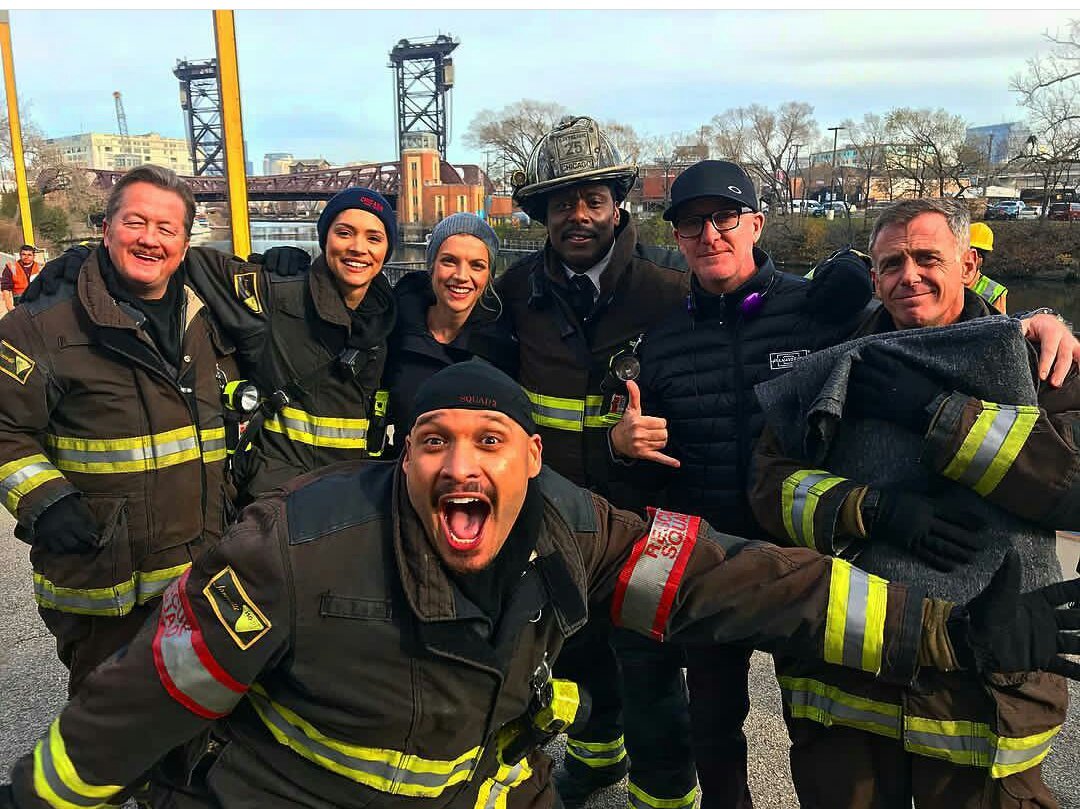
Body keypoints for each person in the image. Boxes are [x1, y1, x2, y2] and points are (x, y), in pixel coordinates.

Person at [3, 359, 1080, 809]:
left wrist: (945, 631)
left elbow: (737, 579)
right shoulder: (289, 547)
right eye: (433, 439)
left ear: (530, 457)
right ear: (401, 459)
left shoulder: (581, 527)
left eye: (488, 439)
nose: (458, 463)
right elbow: (146, 694)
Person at [748, 198, 1079, 808]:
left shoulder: (1042, 363)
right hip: (851, 674)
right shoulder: (836, 365)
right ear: (874, 278)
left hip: (982, 684)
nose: (910, 276)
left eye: (928, 258)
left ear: (969, 266)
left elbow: (1072, 491)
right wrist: (872, 509)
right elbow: (771, 485)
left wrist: (938, 416)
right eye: (892, 264)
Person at [608, 159, 878, 809]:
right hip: (711, 559)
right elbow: (641, 462)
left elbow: (924, 325)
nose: (710, 235)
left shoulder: (819, 311)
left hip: (806, 556)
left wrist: (1031, 322)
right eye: (692, 224)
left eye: (725, 217)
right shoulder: (662, 341)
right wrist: (621, 447)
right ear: (677, 239)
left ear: (756, 224)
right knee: (712, 723)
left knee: (821, 726)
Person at [497, 115, 691, 806]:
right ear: (542, 215)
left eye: (592, 200)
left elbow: (744, 351)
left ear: (618, 205)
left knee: (650, 669)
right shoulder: (517, 292)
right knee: (574, 652)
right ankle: (596, 759)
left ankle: (666, 795)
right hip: (558, 518)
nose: (577, 216)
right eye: (561, 203)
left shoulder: (671, 288)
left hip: (646, 519)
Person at [0, 165, 242, 695]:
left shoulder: (206, 317)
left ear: (184, 244)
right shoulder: (42, 326)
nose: (150, 239)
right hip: (105, 579)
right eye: (136, 222)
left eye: (166, 228)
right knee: (108, 720)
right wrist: (45, 499)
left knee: (195, 708)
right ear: (106, 228)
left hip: (197, 570)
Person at [222, 187, 399, 503]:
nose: (359, 248)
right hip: (280, 497)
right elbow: (192, 265)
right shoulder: (280, 296)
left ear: (387, 251)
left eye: (374, 238)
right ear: (324, 239)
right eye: (344, 233)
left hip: (357, 494)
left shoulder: (392, 315)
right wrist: (270, 274)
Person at [382, 212, 516, 457]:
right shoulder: (394, 329)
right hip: (403, 472)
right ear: (431, 267)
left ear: (488, 276)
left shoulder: (504, 344)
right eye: (449, 261)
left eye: (477, 265)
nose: (461, 276)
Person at [965, 222, 1007, 313]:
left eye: (979, 253)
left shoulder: (995, 292)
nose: (972, 258)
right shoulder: (946, 280)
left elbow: (999, 321)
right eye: (968, 251)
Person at [2, 244, 40, 312]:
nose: (26, 257)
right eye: (24, 254)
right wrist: (9, 306)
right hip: (20, 303)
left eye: (29, 255)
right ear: (20, 255)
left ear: (34, 256)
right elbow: (5, 288)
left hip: (38, 302)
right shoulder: (11, 267)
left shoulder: (40, 268)